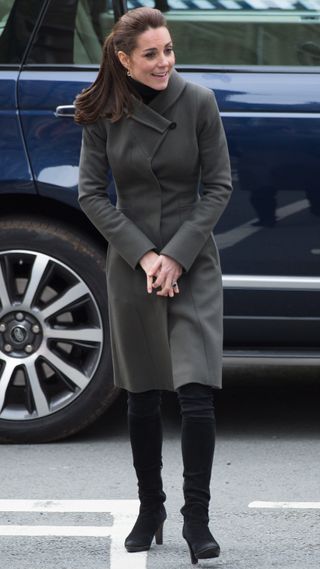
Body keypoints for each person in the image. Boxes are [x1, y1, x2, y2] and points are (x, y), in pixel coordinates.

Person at [75, 7, 232, 564]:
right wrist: (144, 255)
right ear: (124, 58)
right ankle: (151, 508)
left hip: (191, 263)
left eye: (169, 50)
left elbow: (218, 187)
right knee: (141, 396)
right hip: (133, 264)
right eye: (151, 53)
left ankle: (197, 519)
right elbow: (91, 194)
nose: (165, 61)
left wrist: (175, 256)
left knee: (195, 394)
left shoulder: (199, 103)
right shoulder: (101, 111)